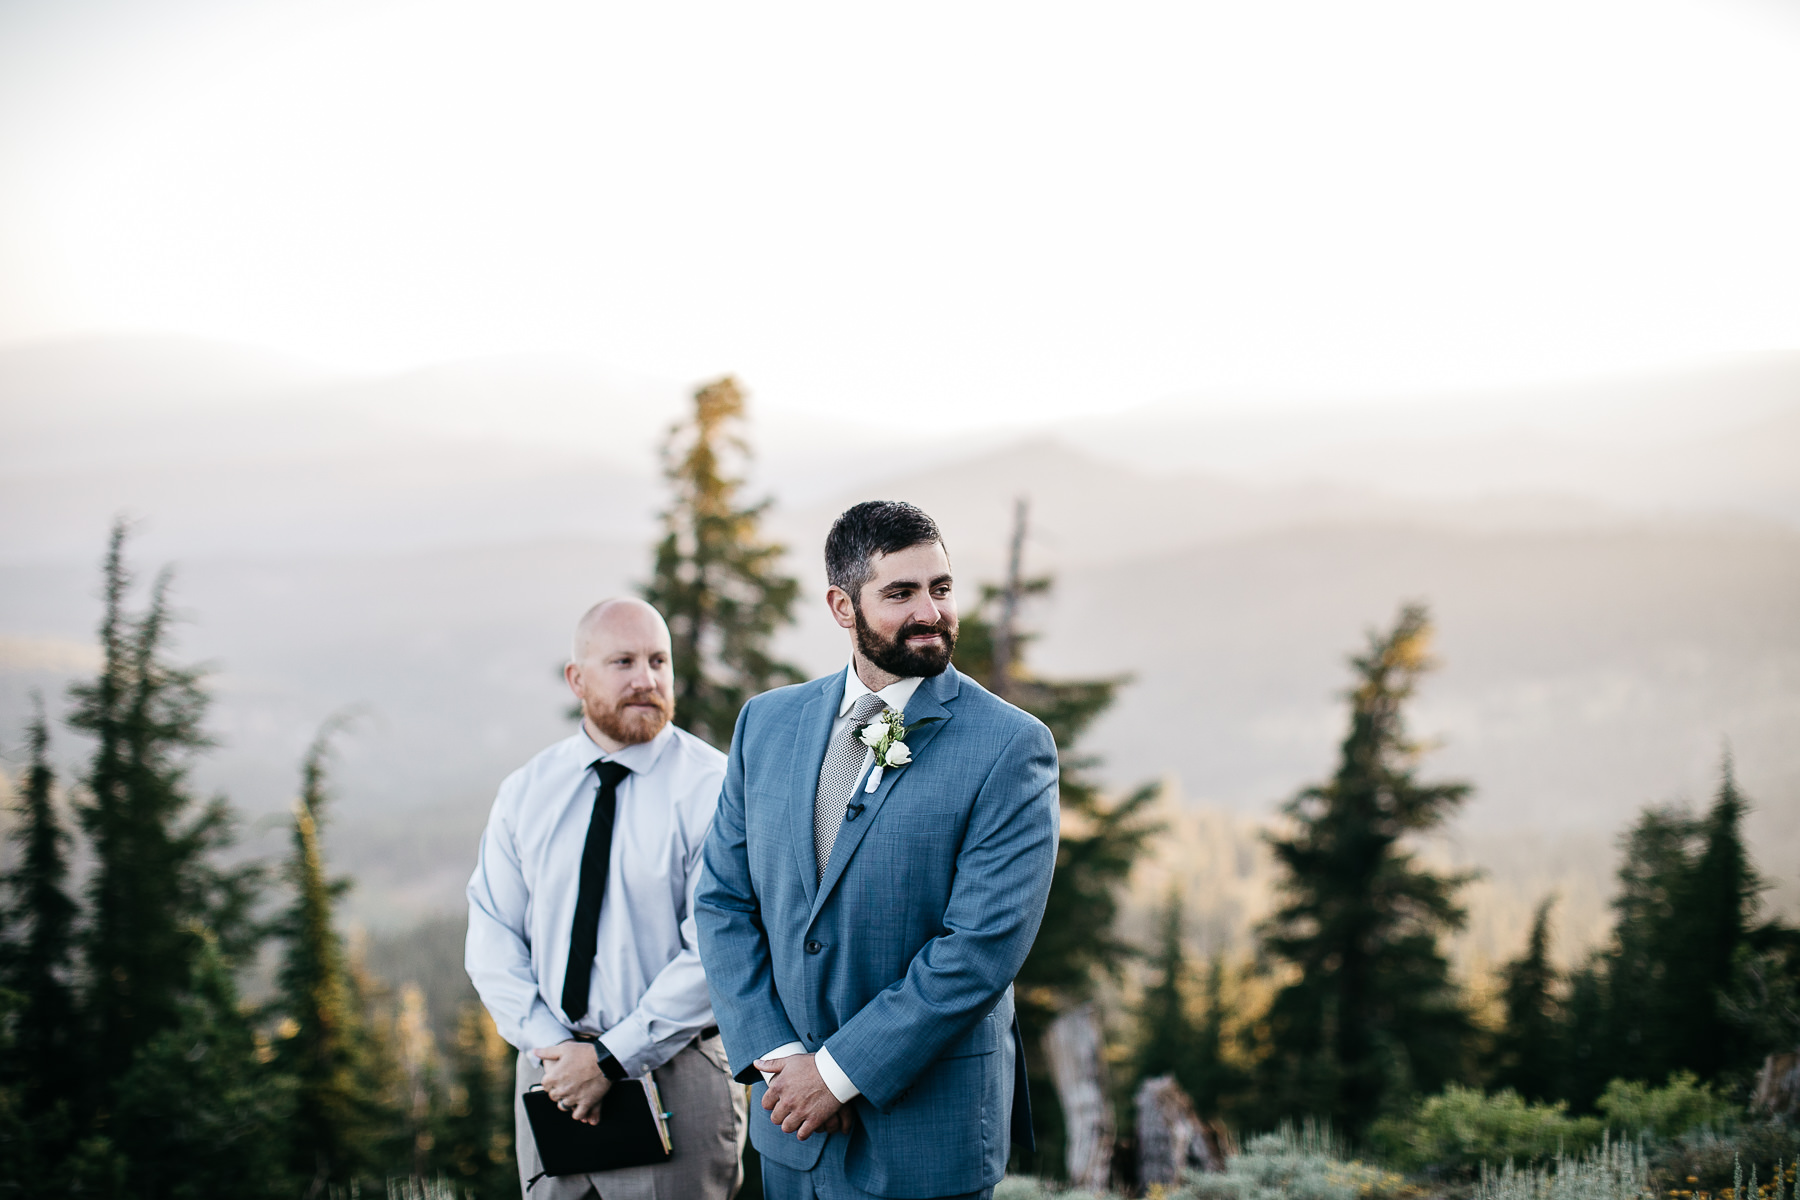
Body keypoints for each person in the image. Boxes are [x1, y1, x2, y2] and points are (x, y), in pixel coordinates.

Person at [696, 501, 1060, 1200]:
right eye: (900, 593)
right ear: (842, 606)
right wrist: (780, 1062)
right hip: (789, 1133)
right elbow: (722, 899)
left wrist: (834, 1074)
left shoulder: (1010, 747)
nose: (930, 611)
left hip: (926, 1139)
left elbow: (979, 948)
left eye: (941, 588)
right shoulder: (766, 724)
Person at [466, 597, 747, 1200]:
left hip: (676, 1073)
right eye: (623, 662)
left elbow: (717, 950)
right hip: (552, 1079)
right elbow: (491, 935)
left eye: (658, 661)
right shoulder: (526, 793)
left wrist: (612, 1059)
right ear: (578, 679)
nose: (646, 680)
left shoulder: (714, 789)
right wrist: (559, 1053)